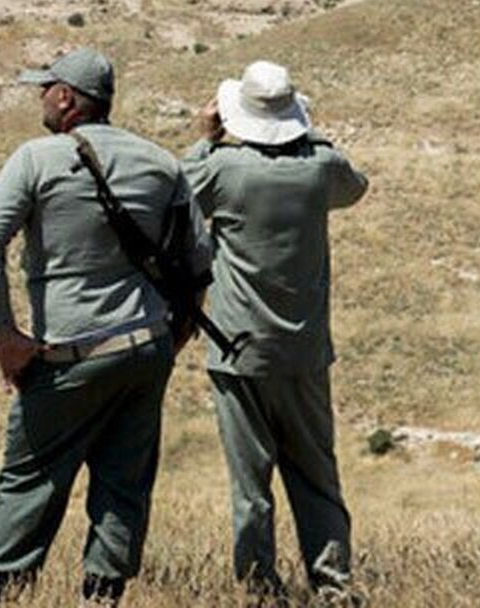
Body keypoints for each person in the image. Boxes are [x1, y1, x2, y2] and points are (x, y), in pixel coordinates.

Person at [0, 48, 213, 606]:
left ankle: (2, 594)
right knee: (124, 485)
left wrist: (5, 335)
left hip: (70, 351)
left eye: (45, 88)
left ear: (66, 98)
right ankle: (101, 597)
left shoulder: (37, 159)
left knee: (29, 482)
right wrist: (170, 339)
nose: (40, 98)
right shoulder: (160, 162)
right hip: (145, 346)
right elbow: (199, 261)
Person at [182, 60, 368, 597]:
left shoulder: (222, 169)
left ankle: (261, 587)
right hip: (306, 348)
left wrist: (207, 138)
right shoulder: (320, 168)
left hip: (238, 348)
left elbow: (176, 190)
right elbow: (356, 185)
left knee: (251, 485)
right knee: (316, 476)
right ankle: (333, 582)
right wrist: (309, 133)